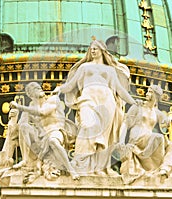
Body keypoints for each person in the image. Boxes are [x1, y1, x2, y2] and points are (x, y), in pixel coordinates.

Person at [56, 39, 136, 176]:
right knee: (88, 126)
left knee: (105, 136)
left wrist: (133, 102)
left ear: (102, 51)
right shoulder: (84, 68)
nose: (92, 51)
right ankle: (81, 164)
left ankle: (100, 168)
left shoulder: (110, 70)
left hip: (107, 100)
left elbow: (120, 90)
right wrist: (59, 89)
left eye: (95, 48)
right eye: (91, 48)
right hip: (88, 98)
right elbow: (71, 85)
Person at [118, 85, 172, 184]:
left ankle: (163, 169)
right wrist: (121, 141)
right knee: (159, 138)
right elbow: (126, 123)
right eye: (148, 91)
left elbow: (165, 120)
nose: (147, 94)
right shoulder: (138, 107)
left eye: (150, 92)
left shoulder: (155, 112)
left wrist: (170, 121)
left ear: (156, 96)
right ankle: (159, 170)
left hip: (148, 140)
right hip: (137, 139)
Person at [10, 82, 79, 180]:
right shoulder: (31, 107)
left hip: (56, 131)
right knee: (24, 127)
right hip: (42, 136)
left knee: (53, 141)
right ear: (30, 95)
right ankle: (25, 160)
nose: (39, 89)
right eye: (35, 89)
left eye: (39, 87)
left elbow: (42, 112)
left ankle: (71, 170)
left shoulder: (52, 100)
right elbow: (20, 127)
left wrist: (19, 107)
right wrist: (13, 119)